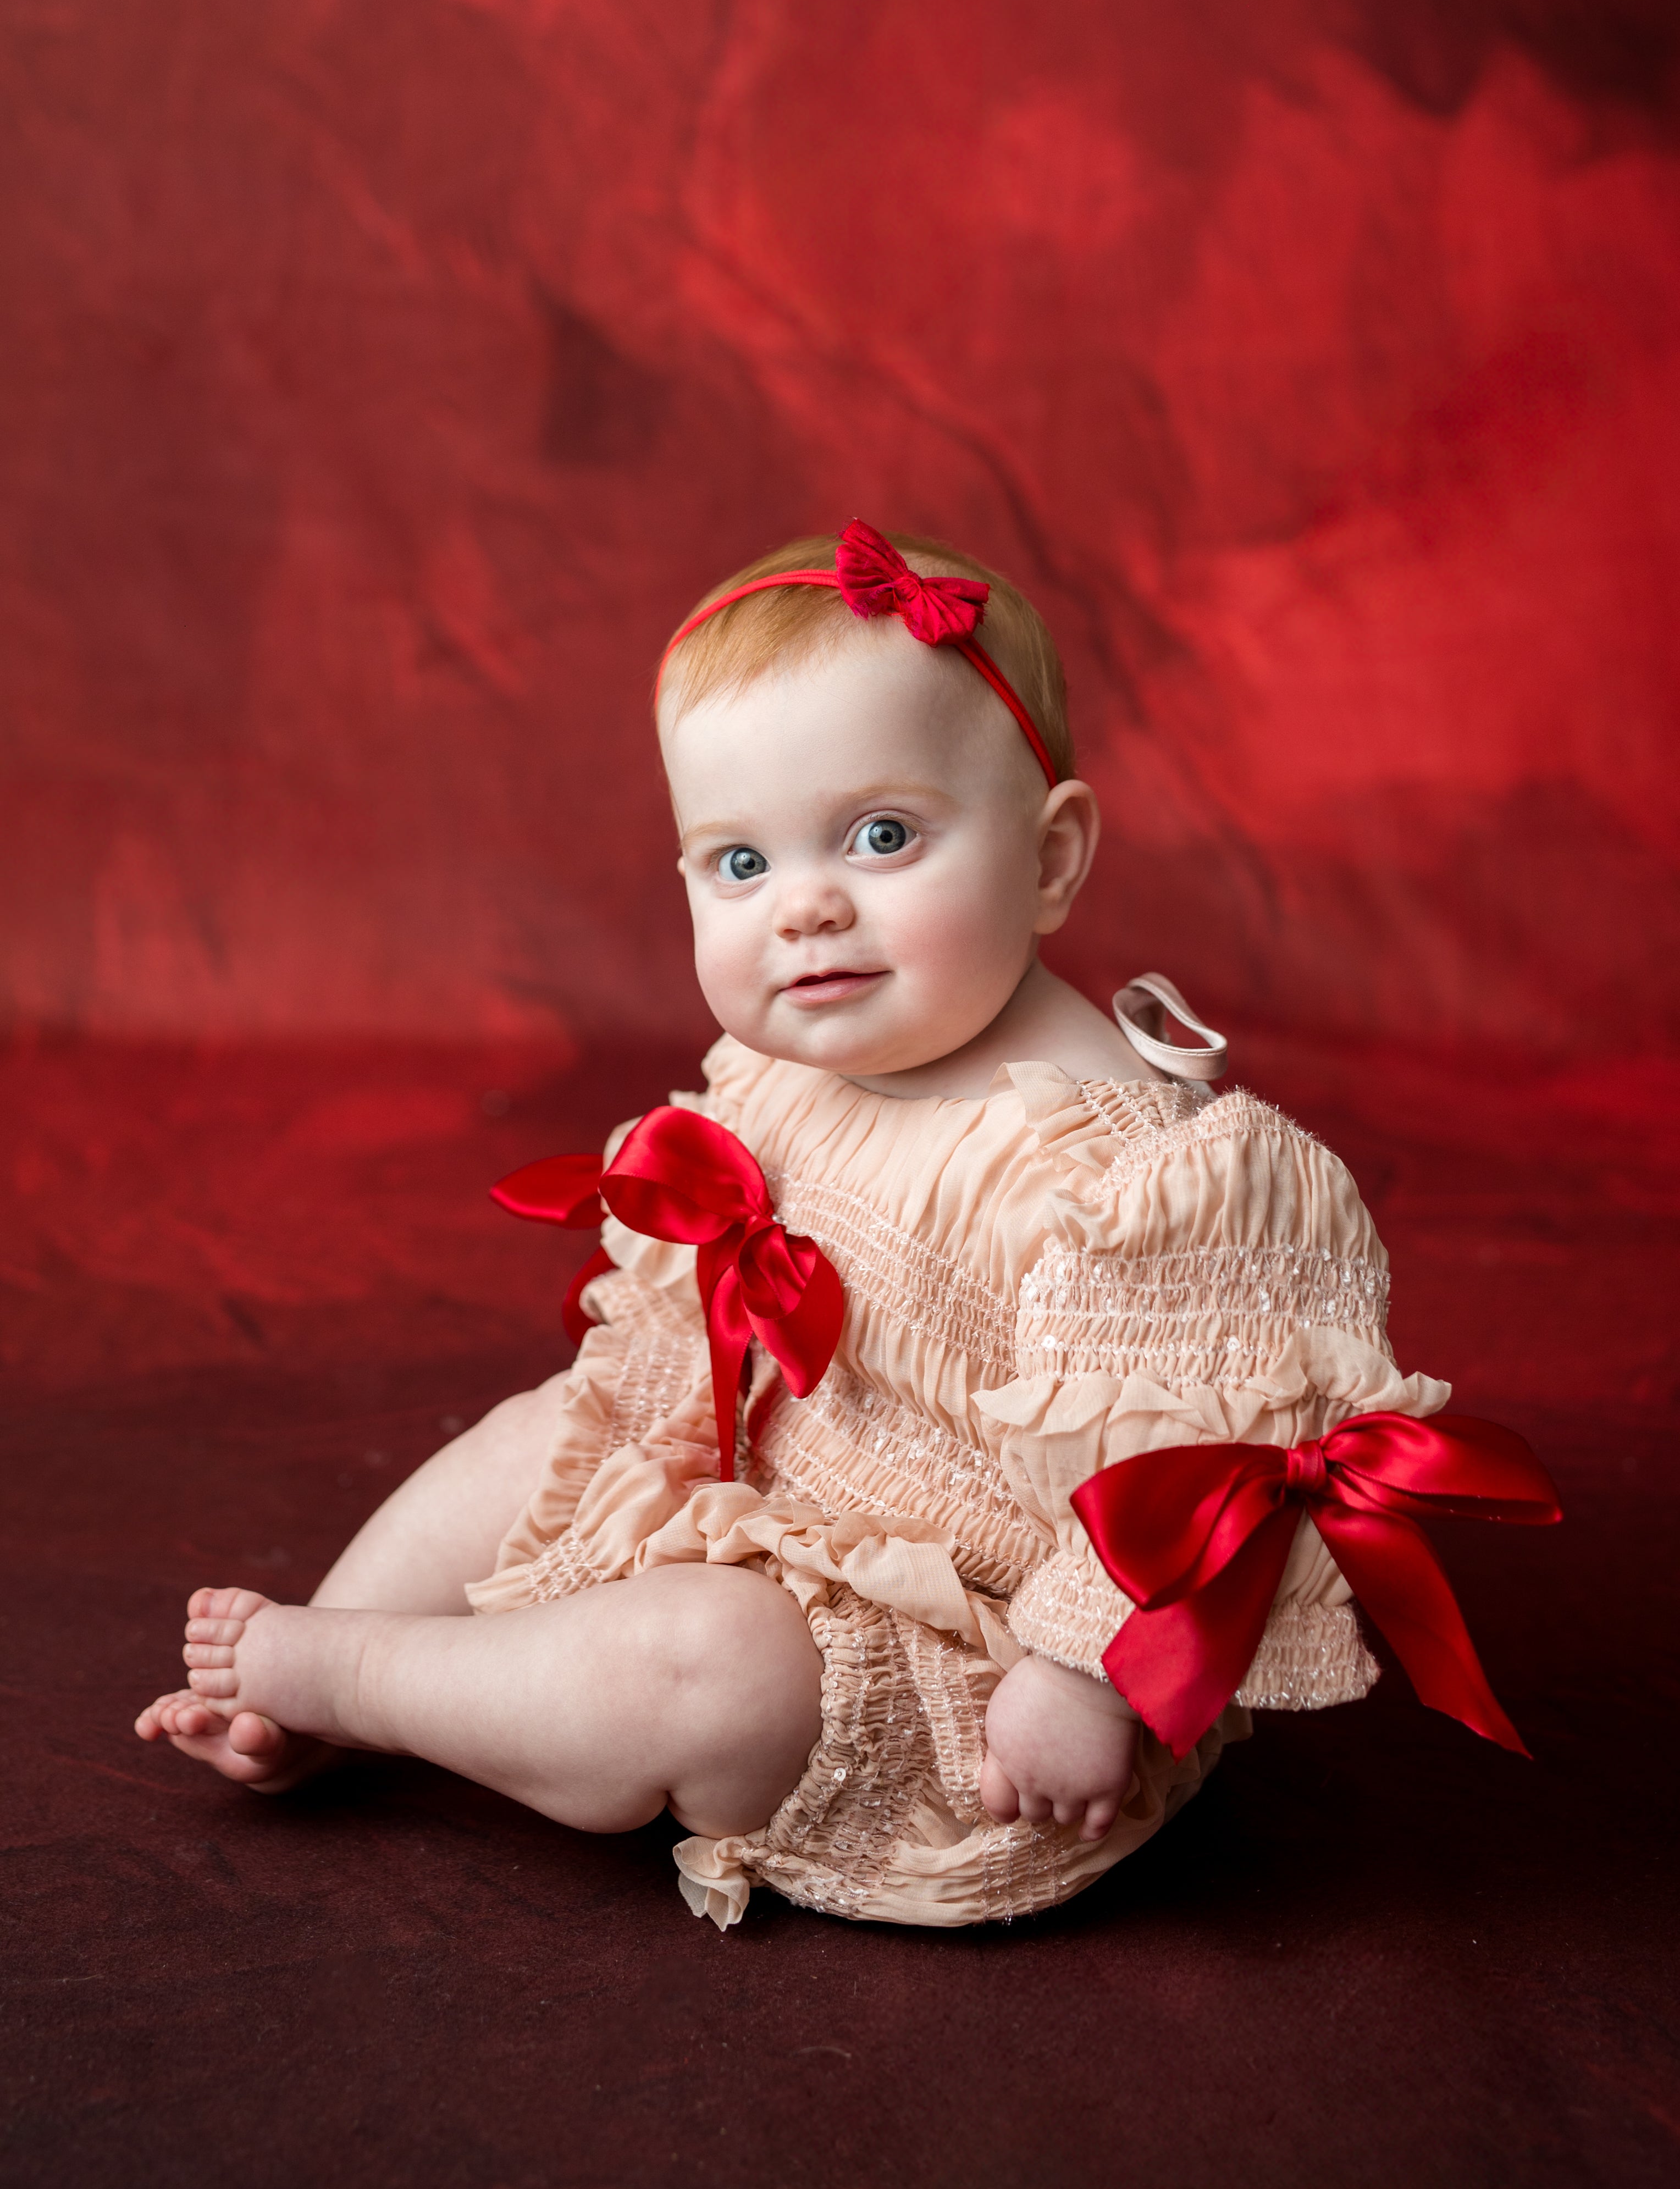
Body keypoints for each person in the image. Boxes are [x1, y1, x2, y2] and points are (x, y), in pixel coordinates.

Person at [134, 522, 1458, 1929]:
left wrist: (1083, 1680)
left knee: (708, 1659)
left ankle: (358, 1684)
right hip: (776, 1499)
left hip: (974, 1677)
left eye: (882, 835)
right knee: (543, 1427)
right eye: (738, 863)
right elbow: (668, 1355)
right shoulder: (783, 1069)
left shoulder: (1132, 1170)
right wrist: (632, 1450)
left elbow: (1206, 1470)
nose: (805, 908)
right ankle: (330, 1653)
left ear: (1052, 856)